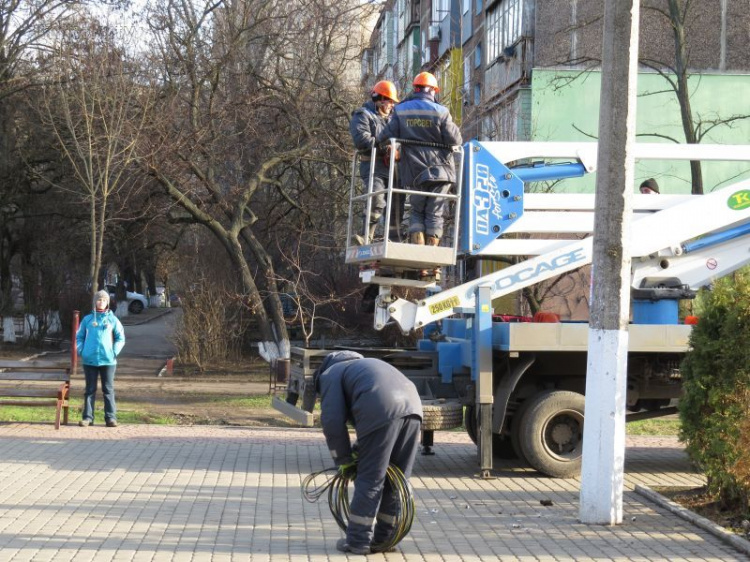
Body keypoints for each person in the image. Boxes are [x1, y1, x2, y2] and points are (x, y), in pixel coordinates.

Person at [314, 351, 423, 555]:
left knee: (370, 479)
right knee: (396, 479)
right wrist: (358, 450)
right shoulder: (366, 366)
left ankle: (357, 541)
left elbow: (332, 422)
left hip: (383, 409)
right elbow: (370, 432)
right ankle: (386, 539)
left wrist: (343, 460)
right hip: (414, 409)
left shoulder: (331, 373)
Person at [376, 71, 463, 279]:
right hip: (441, 171)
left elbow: (385, 136)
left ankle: (420, 265)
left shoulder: (401, 110)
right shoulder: (441, 112)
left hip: (413, 172)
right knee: (434, 214)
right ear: (433, 91)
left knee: (417, 212)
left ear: (415, 88)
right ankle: (432, 265)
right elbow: (456, 139)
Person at [349, 80, 399, 244]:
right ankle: (366, 236)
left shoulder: (394, 118)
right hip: (373, 166)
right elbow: (361, 140)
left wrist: (398, 149)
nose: (391, 105)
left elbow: (402, 138)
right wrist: (384, 145)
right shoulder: (362, 115)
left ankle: (393, 237)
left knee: (397, 201)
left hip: (393, 167)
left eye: (392, 102)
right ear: (380, 99)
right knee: (377, 199)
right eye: (389, 101)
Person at [76, 289, 125, 427]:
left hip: (108, 360)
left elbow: (120, 338)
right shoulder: (88, 319)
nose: (101, 302)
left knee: (108, 389)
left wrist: (113, 352)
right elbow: (78, 337)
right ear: (94, 302)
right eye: (99, 299)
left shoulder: (113, 319)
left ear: (107, 303)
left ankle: (110, 418)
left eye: (104, 300)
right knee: (90, 389)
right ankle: (87, 418)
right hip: (89, 360)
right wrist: (82, 351)